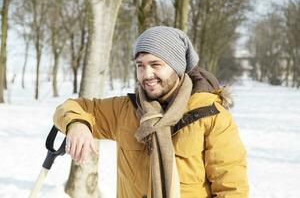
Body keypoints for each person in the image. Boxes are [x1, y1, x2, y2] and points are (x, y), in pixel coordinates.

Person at [53, 26, 248, 198]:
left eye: (156, 65)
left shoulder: (210, 114)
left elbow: (232, 188)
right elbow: (71, 107)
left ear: (177, 67)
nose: (147, 75)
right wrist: (76, 124)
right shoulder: (125, 110)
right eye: (140, 65)